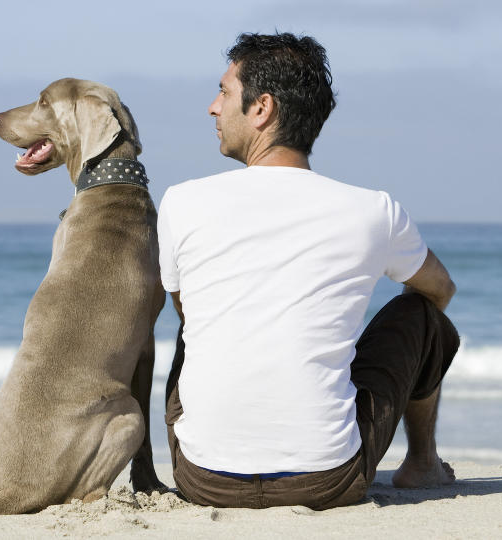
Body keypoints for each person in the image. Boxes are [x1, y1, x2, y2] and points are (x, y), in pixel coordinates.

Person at [156, 32, 460, 510]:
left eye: (224, 92)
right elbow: (440, 289)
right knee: (422, 312)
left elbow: (187, 315)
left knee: (197, 318)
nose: (212, 107)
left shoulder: (181, 201)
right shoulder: (372, 210)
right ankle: (423, 462)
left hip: (204, 480)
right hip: (326, 481)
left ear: (263, 108)